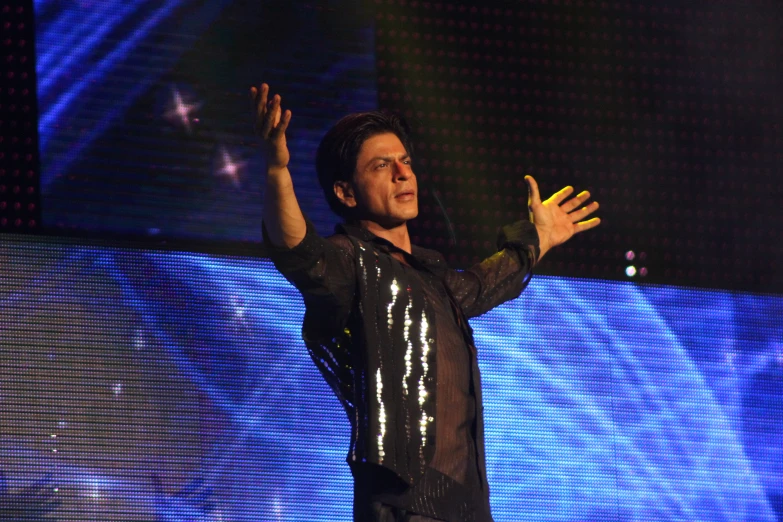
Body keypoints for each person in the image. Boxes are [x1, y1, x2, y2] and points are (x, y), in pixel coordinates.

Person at [253, 82, 600, 522]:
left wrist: (540, 238)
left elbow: (483, 283)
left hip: (468, 507)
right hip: (403, 501)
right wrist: (277, 169)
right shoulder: (349, 263)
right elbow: (299, 252)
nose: (403, 173)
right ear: (346, 192)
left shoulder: (433, 279)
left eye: (406, 162)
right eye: (382, 165)